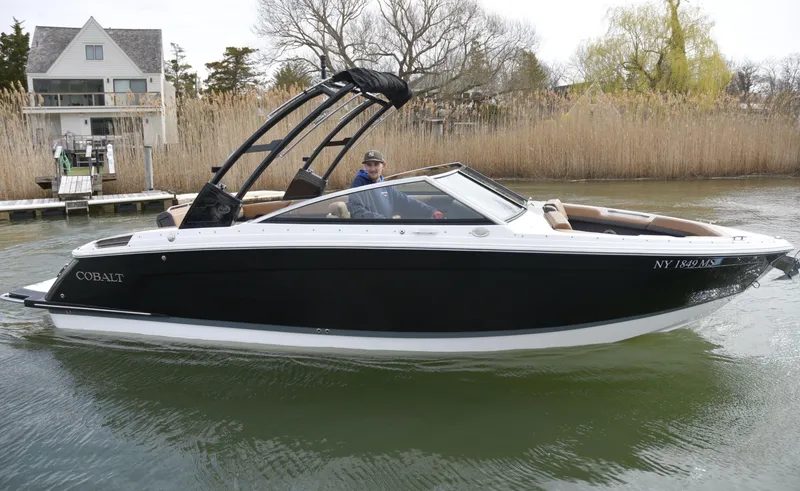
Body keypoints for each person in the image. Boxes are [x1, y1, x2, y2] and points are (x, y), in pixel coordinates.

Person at [348, 150, 444, 220]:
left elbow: (406, 202)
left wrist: (431, 211)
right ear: (365, 166)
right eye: (369, 165)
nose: (372, 168)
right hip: (371, 231)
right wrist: (384, 220)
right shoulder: (359, 183)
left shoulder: (386, 186)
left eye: (376, 164)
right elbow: (356, 211)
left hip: (388, 228)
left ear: (383, 165)